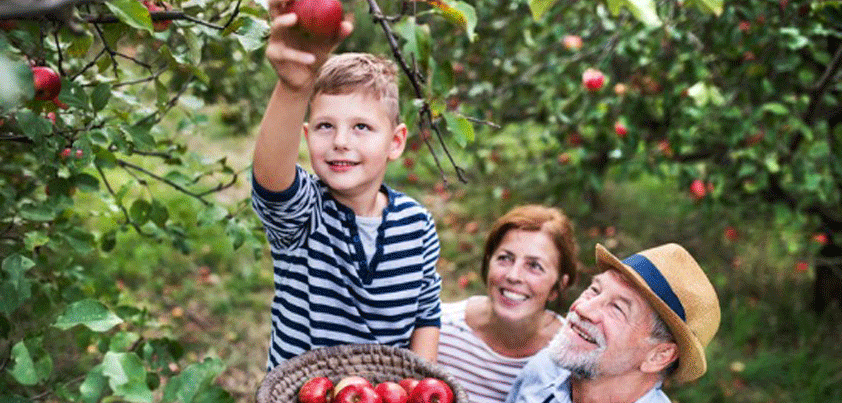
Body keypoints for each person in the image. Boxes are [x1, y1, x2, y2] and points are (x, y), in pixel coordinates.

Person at [251, 1, 442, 370]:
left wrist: (419, 384)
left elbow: (425, 315)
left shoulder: (417, 225)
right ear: (306, 136)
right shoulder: (306, 214)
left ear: (396, 142)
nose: (340, 141)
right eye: (325, 126)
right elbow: (271, 181)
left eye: (361, 127)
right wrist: (293, 89)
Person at [505, 243, 721, 403]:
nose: (582, 308)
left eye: (618, 309)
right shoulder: (544, 370)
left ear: (658, 356)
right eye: (595, 290)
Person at [437, 205, 580, 402]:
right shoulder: (439, 329)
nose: (514, 276)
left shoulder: (571, 358)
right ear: (488, 263)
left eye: (534, 266)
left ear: (558, 286)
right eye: (505, 258)